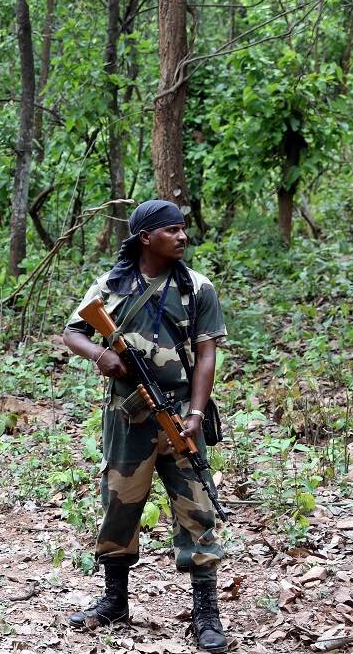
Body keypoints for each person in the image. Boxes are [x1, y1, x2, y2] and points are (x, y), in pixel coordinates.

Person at [61, 199, 229, 653]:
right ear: (145, 237)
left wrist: (195, 414)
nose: (182, 237)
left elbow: (207, 354)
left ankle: (206, 614)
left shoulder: (197, 288)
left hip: (177, 413)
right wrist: (101, 355)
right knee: (119, 505)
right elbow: (72, 331)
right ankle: (115, 600)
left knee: (197, 508)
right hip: (127, 416)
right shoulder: (111, 284)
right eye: (171, 230)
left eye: (183, 229)